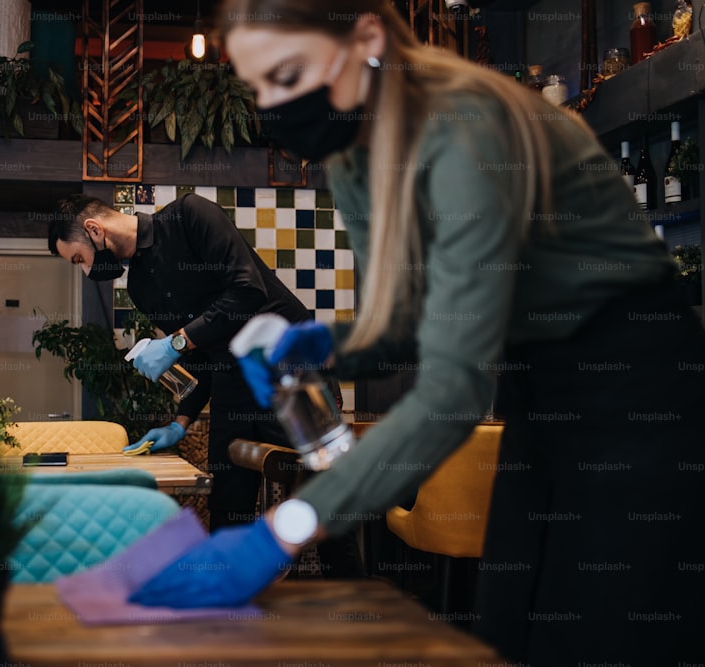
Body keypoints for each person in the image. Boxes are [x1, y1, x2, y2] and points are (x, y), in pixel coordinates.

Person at [127, 2, 705, 666]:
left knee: (606, 633)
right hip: (536, 390)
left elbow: (452, 391)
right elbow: (406, 318)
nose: (273, 106)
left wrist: (279, 532)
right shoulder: (352, 161)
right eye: (260, 87)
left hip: (641, 382)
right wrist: (332, 341)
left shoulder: (464, 123)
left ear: (367, 35)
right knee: (510, 624)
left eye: (288, 74)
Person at [47, 192, 362, 575]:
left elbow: (248, 290)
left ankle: (355, 618)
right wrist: (179, 422)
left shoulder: (190, 216)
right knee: (227, 509)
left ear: (95, 230)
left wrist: (176, 342)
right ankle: (233, 623)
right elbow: (205, 364)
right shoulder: (140, 289)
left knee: (327, 507)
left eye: (79, 259)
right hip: (233, 384)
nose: (85, 271)